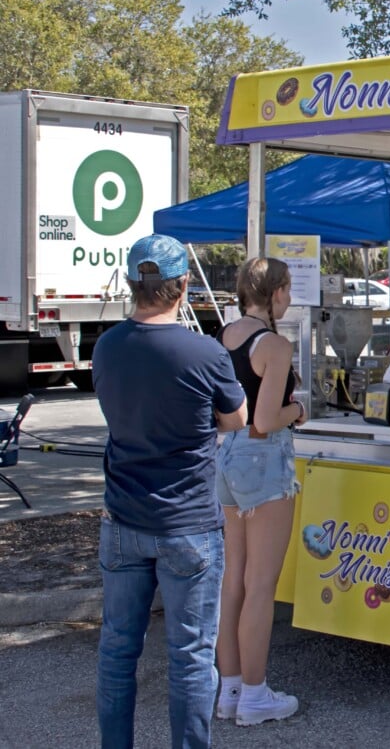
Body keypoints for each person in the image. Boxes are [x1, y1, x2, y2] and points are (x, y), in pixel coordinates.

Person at [92, 234, 247, 749]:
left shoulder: (107, 346)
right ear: (183, 287)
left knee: (117, 652)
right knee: (189, 658)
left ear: (134, 284)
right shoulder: (204, 351)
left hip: (122, 522)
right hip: (188, 526)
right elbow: (236, 418)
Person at [213, 257, 306, 727]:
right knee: (261, 584)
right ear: (273, 294)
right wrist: (299, 409)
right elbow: (266, 420)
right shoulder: (274, 344)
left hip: (225, 457)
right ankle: (254, 693)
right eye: (287, 290)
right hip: (263, 459)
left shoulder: (223, 338)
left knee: (234, 579)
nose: (289, 298)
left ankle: (230, 690)